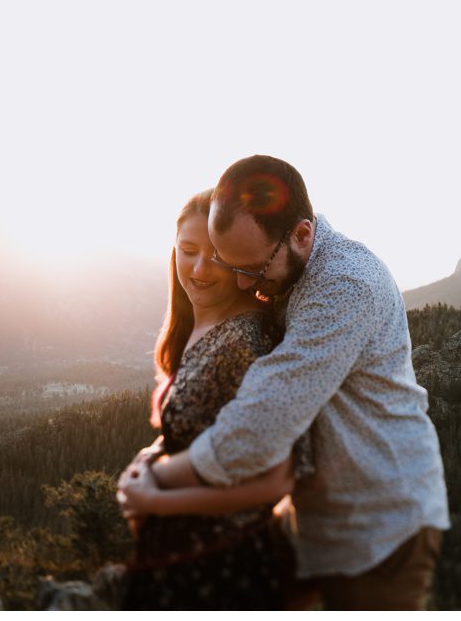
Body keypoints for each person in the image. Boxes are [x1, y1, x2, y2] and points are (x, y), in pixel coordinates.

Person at [141, 155, 450, 610]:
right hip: (314, 519)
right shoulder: (287, 264)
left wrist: (159, 477)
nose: (245, 286)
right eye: (235, 268)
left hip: (380, 525)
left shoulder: (346, 285)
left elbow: (266, 418)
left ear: (302, 235)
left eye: (253, 270)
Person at [116, 188, 313, 610]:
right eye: (188, 251)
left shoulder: (248, 339)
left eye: (218, 257)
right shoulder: (193, 328)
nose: (201, 268)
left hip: (225, 571)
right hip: (174, 560)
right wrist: (145, 462)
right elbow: (192, 433)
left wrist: (156, 501)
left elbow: (276, 481)